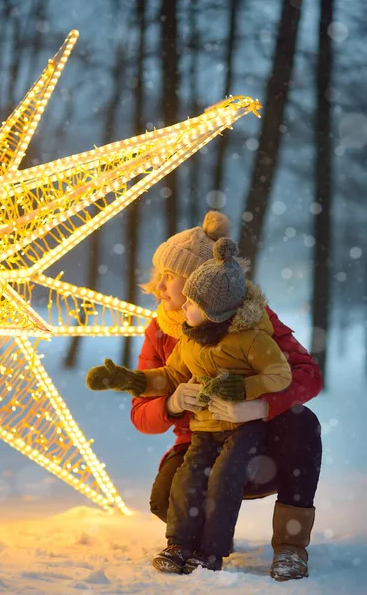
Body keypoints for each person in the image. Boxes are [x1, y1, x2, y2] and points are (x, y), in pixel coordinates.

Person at [128, 211, 321, 581]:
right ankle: (192, 541)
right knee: (162, 500)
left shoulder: (253, 319)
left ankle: (291, 548)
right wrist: (171, 403)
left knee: (303, 424)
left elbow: (307, 376)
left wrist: (258, 406)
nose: (159, 286)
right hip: (199, 442)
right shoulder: (160, 331)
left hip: (257, 447)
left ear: (204, 280)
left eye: (171, 276)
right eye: (161, 275)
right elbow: (140, 414)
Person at [87, 236, 293, 574]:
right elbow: (168, 375)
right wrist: (130, 380)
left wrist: (245, 392)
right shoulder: (189, 340)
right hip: (202, 432)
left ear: (212, 305)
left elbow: (282, 375)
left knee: (224, 478)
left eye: (190, 301)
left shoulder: (253, 338)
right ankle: (179, 544)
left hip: (243, 431)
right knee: (187, 479)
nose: (166, 293)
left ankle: (212, 551)